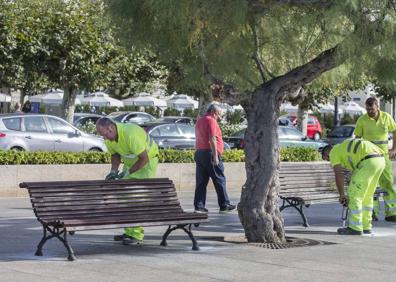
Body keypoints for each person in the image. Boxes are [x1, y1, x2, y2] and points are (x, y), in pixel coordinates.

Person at [96, 117, 159, 245]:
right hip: (131, 163)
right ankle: (129, 231)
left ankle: (136, 235)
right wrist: (114, 171)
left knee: (137, 198)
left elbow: (144, 158)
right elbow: (115, 155)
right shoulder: (109, 138)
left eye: (105, 134)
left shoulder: (130, 133)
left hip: (147, 163)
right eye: (102, 136)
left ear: (111, 128)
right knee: (125, 197)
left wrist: (127, 173)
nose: (105, 139)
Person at [321, 139, 385, 235]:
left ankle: (355, 227)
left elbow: (338, 174)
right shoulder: (344, 148)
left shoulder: (333, 152)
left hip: (368, 161)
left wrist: (342, 194)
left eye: (327, 159)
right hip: (380, 161)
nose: (330, 162)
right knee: (367, 196)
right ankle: (366, 226)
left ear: (327, 153)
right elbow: (355, 173)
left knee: (354, 195)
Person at [354, 97, 396, 222]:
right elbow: (357, 139)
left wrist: (394, 149)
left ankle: (392, 212)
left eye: (372, 109)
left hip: (384, 156)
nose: (370, 111)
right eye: (367, 109)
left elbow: (395, 131)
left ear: (378, 107)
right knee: (371, 185)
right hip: (369, 158)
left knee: (388, 184)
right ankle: (372, 212)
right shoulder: (362, 120)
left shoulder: (386, 117)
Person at [194, 103, 235, 213]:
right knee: (219, 179)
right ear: (213, 112)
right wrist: (215, 156)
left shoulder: (200, 120)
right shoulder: (211, 120)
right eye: (218, 114)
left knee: (201, 182)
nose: (219, 117)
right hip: (210, 153)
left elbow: (198, 137)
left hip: (200, 152)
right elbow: (212, 138)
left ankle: (199, 206)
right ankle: (224, 204)